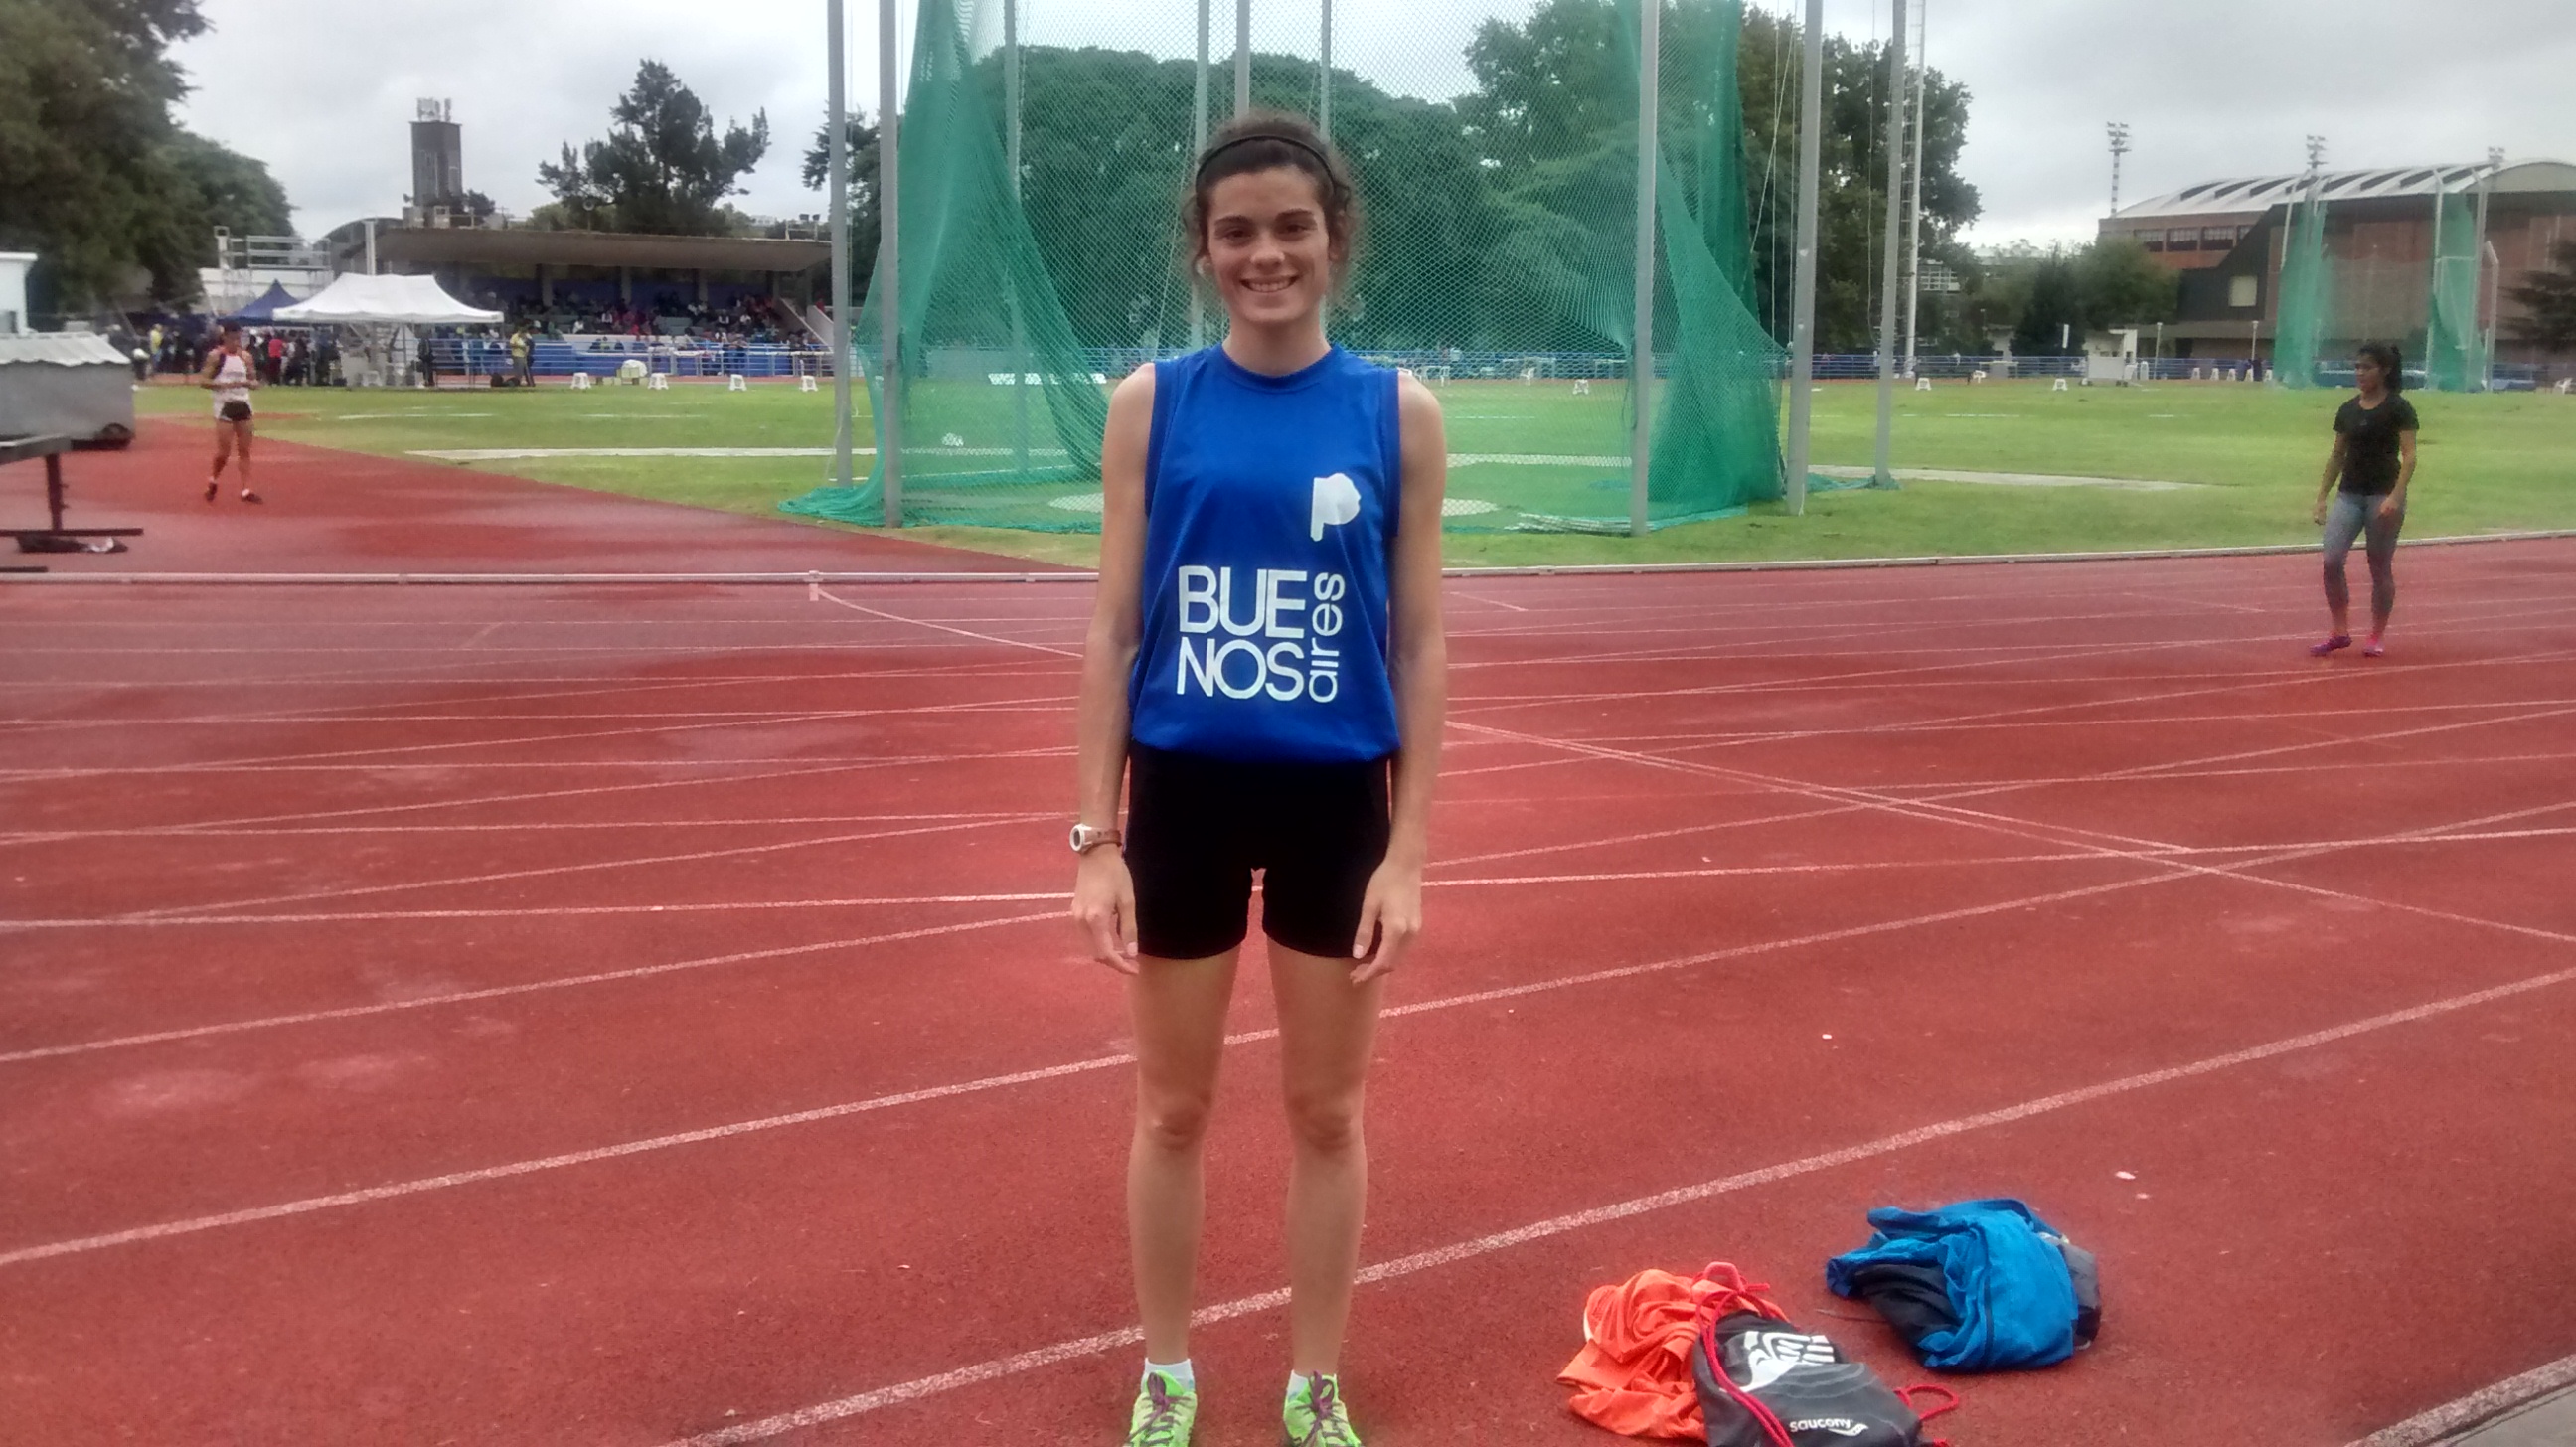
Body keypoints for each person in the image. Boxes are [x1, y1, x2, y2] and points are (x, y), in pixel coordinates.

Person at [1070, 111, 1447, 1447]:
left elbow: (1417, 637)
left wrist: (1407, 854)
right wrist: (1090, 836)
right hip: (1180, 793)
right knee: (1172, 1108)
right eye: (1238, 231)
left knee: (1325, 1111)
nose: (1266, 253)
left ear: (1334, 238)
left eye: (1292, 226)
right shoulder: (1150, 403)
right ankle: (1167, 1367)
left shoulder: (1397, 412)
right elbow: (1117, 628)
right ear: (1203, 251)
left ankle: (1313, 1379)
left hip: (1335, 802)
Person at [2310, 342, 2417, 657]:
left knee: (2379, 566)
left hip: (2382, 495)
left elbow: (2409, 457)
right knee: (2331, 561)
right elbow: (2337, 454)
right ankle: (2339, 630)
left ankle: (2376, 634)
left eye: (2366, 367)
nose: (2360, 373)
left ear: (2383, 370)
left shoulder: (2399, 408)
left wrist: (2396, 496)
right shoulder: (2348, 409)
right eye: (2357, 367)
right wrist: (2320, 497)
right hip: (2349, 494)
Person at [198, 321, 261, 504]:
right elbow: (203, 381)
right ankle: (213, 478)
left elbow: (253, 379)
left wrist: (252, 384)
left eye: (238, 337)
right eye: (232, 337)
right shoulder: (216, 356)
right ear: (224, 337)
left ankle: (246, 489)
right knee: (224, 451)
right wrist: (225, 385)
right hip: (224, 405)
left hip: (243, 403)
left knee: (245, 450)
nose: (236, 341)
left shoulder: (246, 356)